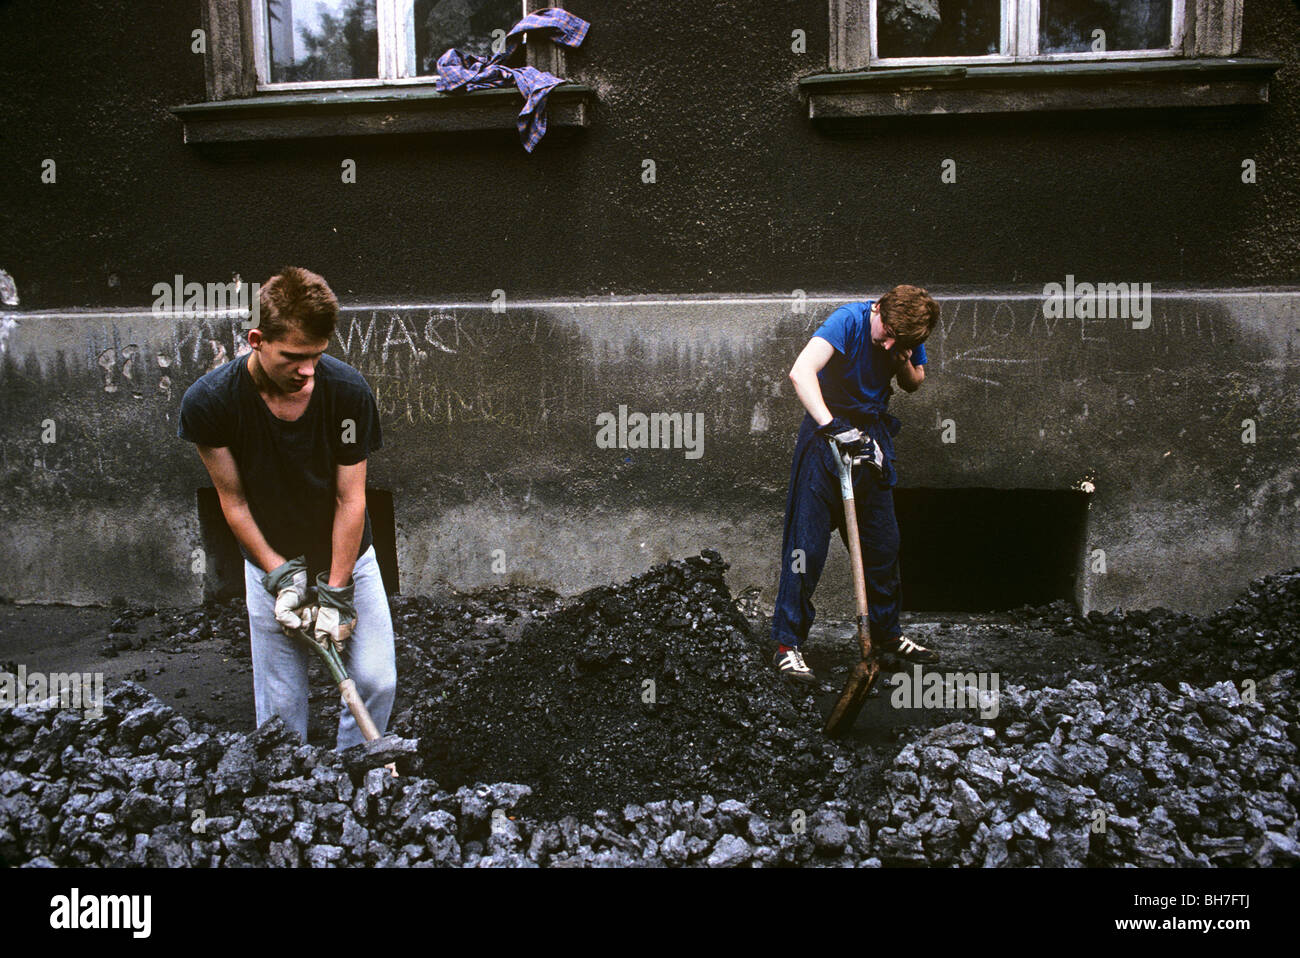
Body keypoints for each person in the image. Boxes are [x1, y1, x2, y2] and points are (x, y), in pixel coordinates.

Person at [177, 267, 395, 748]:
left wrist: (336, 593)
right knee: (279, 708)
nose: (308, 371)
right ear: (257, 340)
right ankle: (288, 790)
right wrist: (278, 574)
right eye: (295, 357)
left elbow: (350, 498)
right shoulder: (211, 403)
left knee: (377, 681)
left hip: (348, 559)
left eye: (317, 356)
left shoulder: (346, 393)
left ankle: (348, 775)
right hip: (269, 562)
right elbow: (231, 503)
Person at [771, 286, 940, 684]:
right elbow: (801, 372)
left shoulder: (905, 334)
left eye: (901, 340)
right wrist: (832, 426)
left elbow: (916, 381)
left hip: (871, 442)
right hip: (825, 436)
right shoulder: (848, 320)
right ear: (877, 308)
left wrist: (902, 361)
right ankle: (786, 645)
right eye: (886, 333)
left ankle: (885, 635)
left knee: (882, 546)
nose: (888, 343)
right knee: (805, 548)